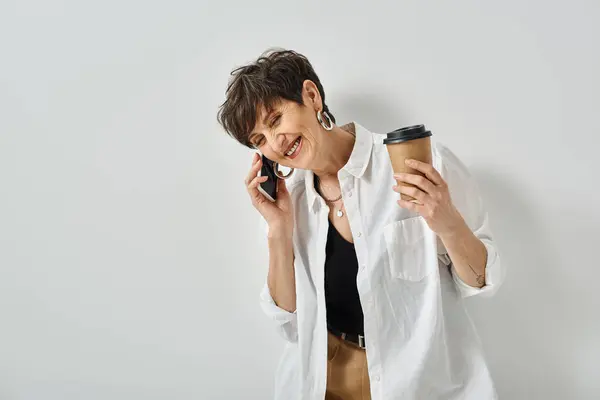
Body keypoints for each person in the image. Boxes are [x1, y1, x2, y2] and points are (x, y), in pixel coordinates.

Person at [217, 49, 505, 400]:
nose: (275, 144)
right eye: (259, 140)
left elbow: (481, 282)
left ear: (311, 96)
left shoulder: (416, 162)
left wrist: (446, 221)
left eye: (276, 119)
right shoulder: (290, 199)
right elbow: (289, 325)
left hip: (415, 380)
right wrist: (278, 230)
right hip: (324, 377)